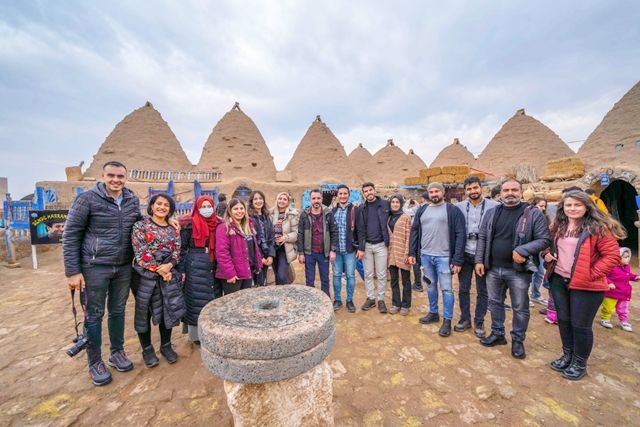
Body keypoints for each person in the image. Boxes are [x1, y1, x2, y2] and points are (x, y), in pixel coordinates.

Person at [63, 161, 140, 386]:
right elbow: (71, 235)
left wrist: (167, 222)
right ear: (102, 176)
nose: (116, 180)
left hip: (123, 265)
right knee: (94, 314)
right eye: (111, 176)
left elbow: (138, 225)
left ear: (126, 178)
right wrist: (73, 271)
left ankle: (117, 352)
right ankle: (95, 361)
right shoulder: (87, 199)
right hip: (95, 266)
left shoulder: (131, 199)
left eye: (120, 176)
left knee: (118, 310)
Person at [543, 190, 624, 380]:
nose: (572, 208)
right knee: (563, 320)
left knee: (580, 325)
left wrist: (591, 274)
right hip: (559, 280)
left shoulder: (598, 228)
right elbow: (548, 245)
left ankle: (579, 363)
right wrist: (546, 254)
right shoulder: (558, 225)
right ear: (563, 207)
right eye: (569, 205)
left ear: (587, 206)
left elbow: (612, 256)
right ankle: (567, 355)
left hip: (586, 285)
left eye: (577, 205)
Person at [475, 179, 551, 359]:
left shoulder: (532, 214)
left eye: (514, 190)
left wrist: (522, 250)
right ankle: (497, 333)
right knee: (494, 303)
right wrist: (479, 260)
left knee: (519, 307)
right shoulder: (492, 213)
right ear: (500, 193)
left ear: (521, 192)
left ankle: (518, 340)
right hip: (493, 268)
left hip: (518, 270)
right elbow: (483, 238)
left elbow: (544, 239)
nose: (510, 193)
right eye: (506, 190)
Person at [131, 193, 184, 368]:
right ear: (152, 206)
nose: (162, 207)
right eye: (159, 204)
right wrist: (160, 270)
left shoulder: (173, 228)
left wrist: (169, 266)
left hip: (168, 275)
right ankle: (147, 349)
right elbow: (141, 252)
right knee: (143, 313)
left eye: (166, 205)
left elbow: (177, 250)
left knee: (167, 310)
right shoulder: (140, 226)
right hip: (144, 277)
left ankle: (166, 345)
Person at [408, 182, 466, 337]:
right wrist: (412, 253)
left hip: (445, 257)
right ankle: (433, 312)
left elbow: (460, 234)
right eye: (431, 192)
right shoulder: (422, 210)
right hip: (426, 256)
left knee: (447, 289)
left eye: (436, 191)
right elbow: (414, 232)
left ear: (443, 192)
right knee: (431, 287)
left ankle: (447, 320)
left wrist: (458, 259)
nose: (434, 194)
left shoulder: (452, 210)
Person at [455, 177, 499, 337]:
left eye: (475, 188)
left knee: (483, 290)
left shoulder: (495, 207)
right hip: (465, 253)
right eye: (469, 189)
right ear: (465, 191)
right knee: (463, 289)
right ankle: (464, 319)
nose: (473, 191)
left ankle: (479, 322)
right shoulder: (458, 207)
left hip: (484, 255)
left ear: (482, 188)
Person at [178, 195, 220, 344]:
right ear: (197, 207)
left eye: (209, 206)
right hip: (195, 266)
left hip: (214, 264)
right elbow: (182, 250)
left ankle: (210, 332)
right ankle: (196, 336)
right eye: (203, 206)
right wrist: (182, 269)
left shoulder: (218, 223)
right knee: (195, 300)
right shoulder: (188, 224)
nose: (206, 209)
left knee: (213, 298)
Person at [356, 182, 391, 313]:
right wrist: (360, 247)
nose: (369, 193)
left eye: (370, 190)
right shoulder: (361, 208)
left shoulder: (385, 205)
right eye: (366, 191)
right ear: (363, 194)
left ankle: (381, 299)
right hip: (367, 246)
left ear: (374, 191)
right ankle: (371, 298)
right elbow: (359, 229)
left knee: (382, 274)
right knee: (368, 274)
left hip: (381, 245)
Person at [216, 199, 263, 294]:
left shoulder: (248, 226)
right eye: (235, 209)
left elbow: (254, 248)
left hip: (247, 270)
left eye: (242, 208)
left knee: (245, 302)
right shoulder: (224, 227)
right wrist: (230, 274)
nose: (239, 211)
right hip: (233, 275)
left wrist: (257, 264)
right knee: (233, 304)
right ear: (230, 211)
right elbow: (222, 253)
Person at [297, 189, 337, 297]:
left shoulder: (328, 213)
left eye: (318, 198)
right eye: (313, 198)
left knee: (325, 279)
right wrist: (301, 253)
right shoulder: (304, 214)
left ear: (322, 199)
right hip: (309, 253)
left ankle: (326, 302)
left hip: (324, 252)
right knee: (310, 280)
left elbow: (334, 232)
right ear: (310, 200)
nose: (316, 200)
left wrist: (333, 250)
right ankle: (311, 302)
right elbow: (300, 234)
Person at [329, 185, 359, 312]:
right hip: (336, 250)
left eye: (345, 193)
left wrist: (360, 247)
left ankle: (349, 300)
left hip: (349, 250)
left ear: (348, 194)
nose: (342, 196)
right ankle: (337, 300)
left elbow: (359, 229)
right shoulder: (332, 211)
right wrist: (331, 249)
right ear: (337, 195)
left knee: (350, 276)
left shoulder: (354, 210)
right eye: (340, 194)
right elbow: (330, 231)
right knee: (336, 275)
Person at [600, 247, 638, 332]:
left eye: (628, 256)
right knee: (608, 307)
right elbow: (603, 275)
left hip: (624, 293)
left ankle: (623, 321)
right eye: (625, 257)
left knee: (623, 309)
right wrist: (609, 283)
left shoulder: (627, 266)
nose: (628, 258)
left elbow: (628, 275)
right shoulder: (611, 266)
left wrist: (635, 277)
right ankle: (605, 319)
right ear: (618, 257)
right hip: (612, 293)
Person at [387, 195, 413, 315]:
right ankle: (396, 303)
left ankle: (406, 304)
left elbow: (409, 237)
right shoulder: (388, 217)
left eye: (397, 202)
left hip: (403, 252)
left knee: (406, 281)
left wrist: (408, 253)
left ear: (401, 204)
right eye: (393, 202)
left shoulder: (405, 217)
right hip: (391, 254)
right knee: (394, 280)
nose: (395, 204)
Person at [248, 190, 275, 287]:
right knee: (256, 285)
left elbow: (271, 237)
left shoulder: (267, 217)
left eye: (260, 198)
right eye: (255, 199)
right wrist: (259, 257)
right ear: (251, 201)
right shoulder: (248, 218)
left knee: (263, 283)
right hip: (255, 256)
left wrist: (271, 255)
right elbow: (251, 241)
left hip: (266, 254)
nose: (258, 201)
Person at [271, 192, 299, 285]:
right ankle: (279, 296)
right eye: (280, 198)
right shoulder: (270, 214)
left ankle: (288, 293)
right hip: (273, 248)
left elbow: (296, 233)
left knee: (281, 275)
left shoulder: (292, 215)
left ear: (287, 202)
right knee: (277, 275)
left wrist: (285, 237)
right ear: (277, 200)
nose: (281, 201)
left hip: (285, 248)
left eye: (284, 199)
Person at [529, 197, 550, 306]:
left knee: (540, 273)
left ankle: (535, 295)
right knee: (529, 272)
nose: (542, 208)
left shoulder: (545, 218)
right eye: (540, 205)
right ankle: (525, 297)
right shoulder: (528, 216)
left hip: (541, 249)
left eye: (544, 206)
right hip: (530, 249)